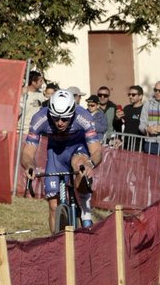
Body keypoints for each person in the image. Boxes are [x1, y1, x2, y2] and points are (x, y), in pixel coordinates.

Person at [20, 89, 102, 229]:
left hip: (77, 148)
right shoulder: (40, 118)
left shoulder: (83, 116)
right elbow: (27, 153)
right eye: (55, 118)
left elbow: (96, 151)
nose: (59, 123)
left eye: (65, 119)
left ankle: (84, 210)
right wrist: (29, 166)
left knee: (79, 165)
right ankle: (57, 244)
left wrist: (90, 163)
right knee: (53, 206)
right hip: (56, 154)